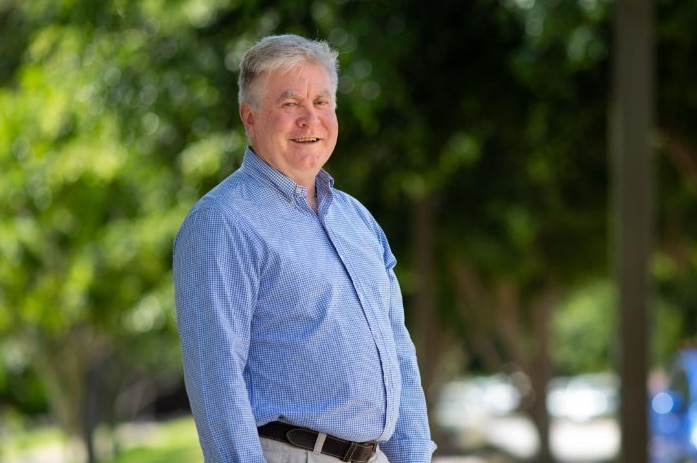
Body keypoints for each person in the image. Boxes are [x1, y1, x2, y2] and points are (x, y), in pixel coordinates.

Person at [173, 34, 436, 463]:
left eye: (322, 102)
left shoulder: (358, 220)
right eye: (290, 104)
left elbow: (399, 354)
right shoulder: (222, 223)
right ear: (249, 117)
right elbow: (216, 382)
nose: (309, 119)